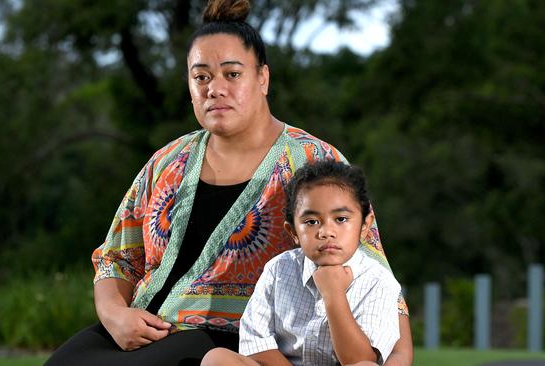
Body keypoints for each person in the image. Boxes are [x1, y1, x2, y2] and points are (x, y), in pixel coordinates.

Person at [45, 0, 412, 365]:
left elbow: (370, 268)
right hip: (135, 329)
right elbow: (117, 258)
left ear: (262, 78)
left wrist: (398, 356)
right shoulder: (167, 161)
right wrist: (114, 316)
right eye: (201, 76)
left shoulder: (314, 162)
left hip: (235, 344)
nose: (215, 89)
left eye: (232, 74)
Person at [201, 160, 401, 366]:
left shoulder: (379, 281)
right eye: (311, 222)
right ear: (293, 232)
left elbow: (360, 359)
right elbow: (256, 346)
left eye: (341, 219)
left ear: (365, 225)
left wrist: (334, 294)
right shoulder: (278, 270)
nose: (326, 232)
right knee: (217, 359)